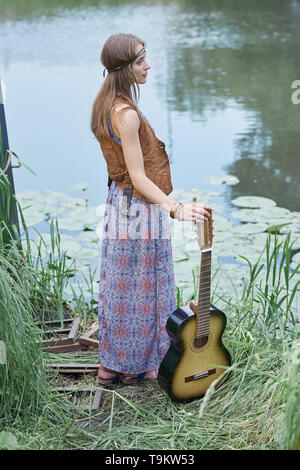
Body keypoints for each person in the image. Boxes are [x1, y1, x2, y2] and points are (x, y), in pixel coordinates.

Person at [91, 33, 213, 385]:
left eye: (146, 58)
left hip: (121, 204)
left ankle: (118, 364)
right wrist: (175, 208)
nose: (148, 66)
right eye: (141, 61)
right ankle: (133, 365)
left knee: (123, 286)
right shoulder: (125, 114)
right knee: (146, 287)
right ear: (124, 68)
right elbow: (138, 176)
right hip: (138, 208)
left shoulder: (107, 102)